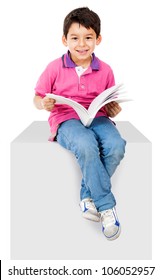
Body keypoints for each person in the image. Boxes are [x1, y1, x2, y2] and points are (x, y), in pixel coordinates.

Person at [33, 7, 126, 241]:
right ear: (65, 39)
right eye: (74, 38)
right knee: (85, 145)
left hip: (98, 117)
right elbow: (37, 97)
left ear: (98, 40)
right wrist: (43, 103)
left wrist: (113, 108)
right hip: (66, 119)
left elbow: (109, 101)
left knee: (116, 146)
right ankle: (106, 207)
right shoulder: (54, 67)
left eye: (88, 38)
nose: (81, 44)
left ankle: (87, 196)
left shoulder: (105, 70)